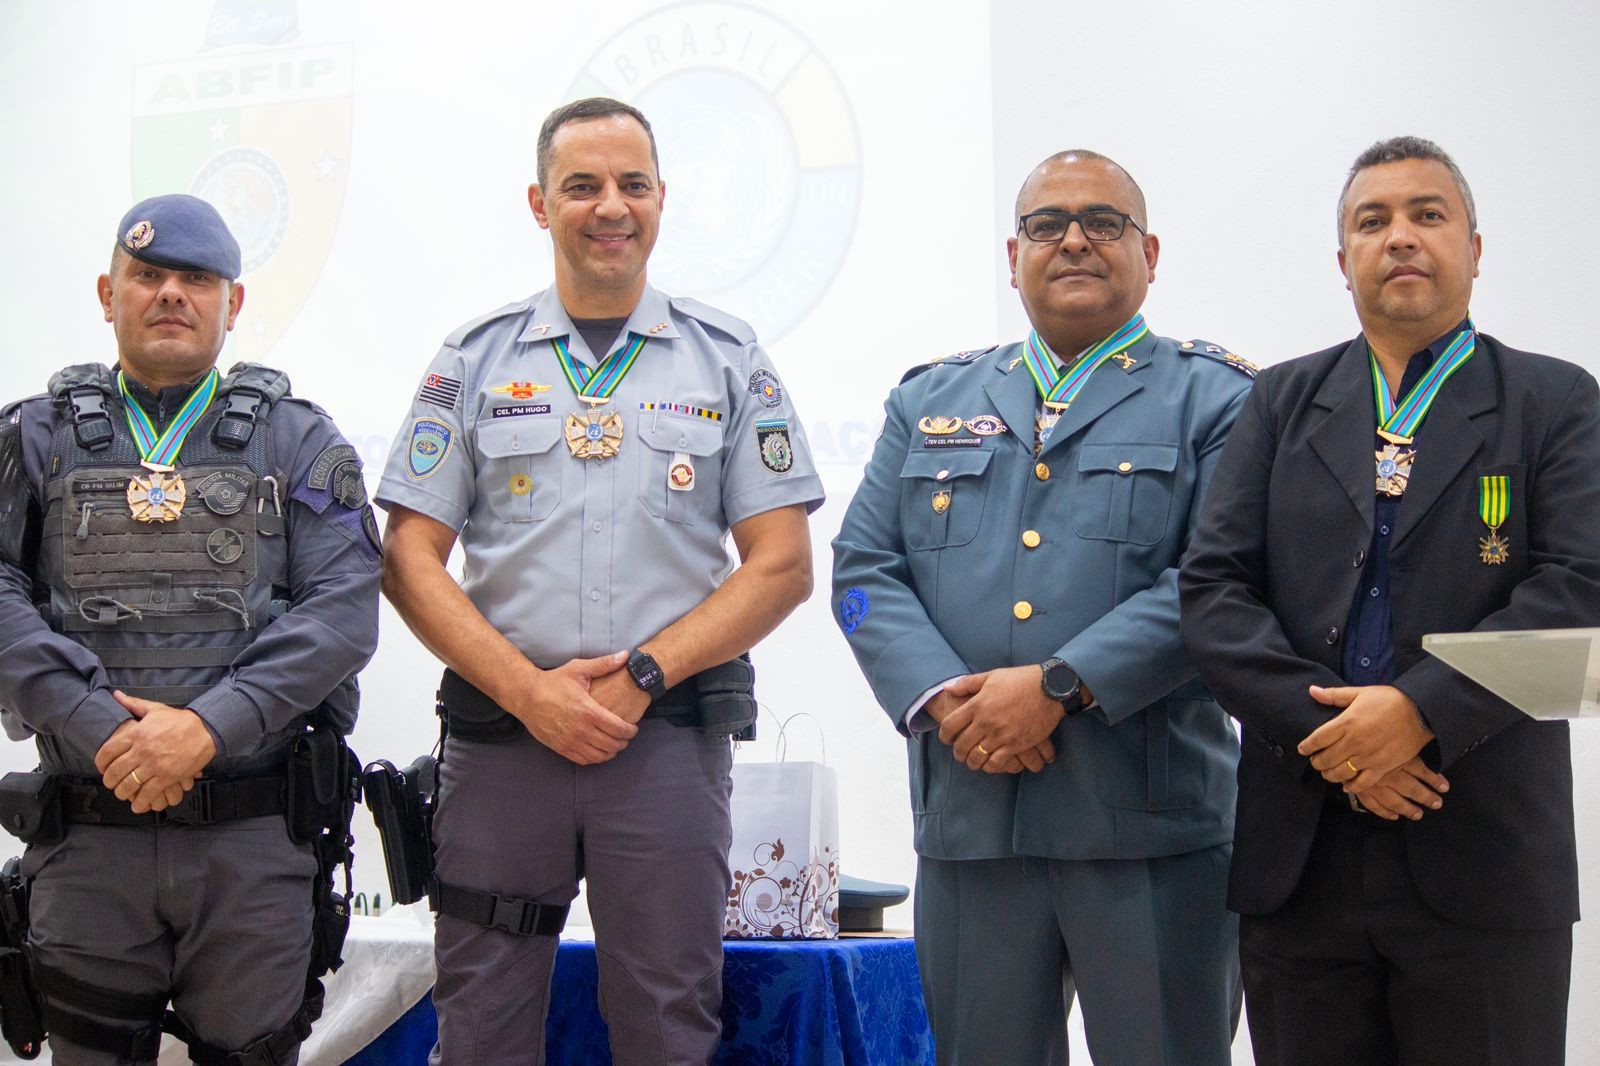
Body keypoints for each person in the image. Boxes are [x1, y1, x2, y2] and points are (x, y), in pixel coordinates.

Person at [375, 96, 822, 1064]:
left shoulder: (728, 356)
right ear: (540, 204)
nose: (608, 206)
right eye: (581, 185)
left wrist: (644, 675)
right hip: (502, 746)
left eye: (630, 184)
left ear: (662, 199)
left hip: (661, 747)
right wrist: (529, 693)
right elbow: (410, 558)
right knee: (481, 1023)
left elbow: (782, 565)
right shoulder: (474, 356)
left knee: (668, 1019)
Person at [1179, 135, 1600, 1065]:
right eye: (1373, 222)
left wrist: (1417, 712)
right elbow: (1214, 593)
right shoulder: (1281, 400)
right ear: (1344, 262)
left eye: (1427, 215)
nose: (1400, 237)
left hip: (1484, 848)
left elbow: (1579, 591)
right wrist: (1339, 737)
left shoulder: (1555, 398)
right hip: (1302, 853)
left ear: (1475, 250)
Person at [831, 150, 1250, 1065]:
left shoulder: (1217, 397)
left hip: (1147, 827)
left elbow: (1218, 582)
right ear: (1011, 253)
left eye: (1103, 222)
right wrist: (947, 699)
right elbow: (862, 574)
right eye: (1047, 224)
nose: (1074, 241)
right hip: (973, 818)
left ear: (1150, 251)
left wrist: (1059, 685)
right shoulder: (928, 399)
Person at [0, 194, 380, 1063]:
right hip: (89, 839)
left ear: (232, 303)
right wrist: (100, 725)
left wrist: (208, 728)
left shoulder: (297, 441)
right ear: (108, 291)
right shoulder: (34, 437)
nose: (172, 293)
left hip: (250, 843)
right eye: (148, 275)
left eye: (196, 279)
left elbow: (345, 609)